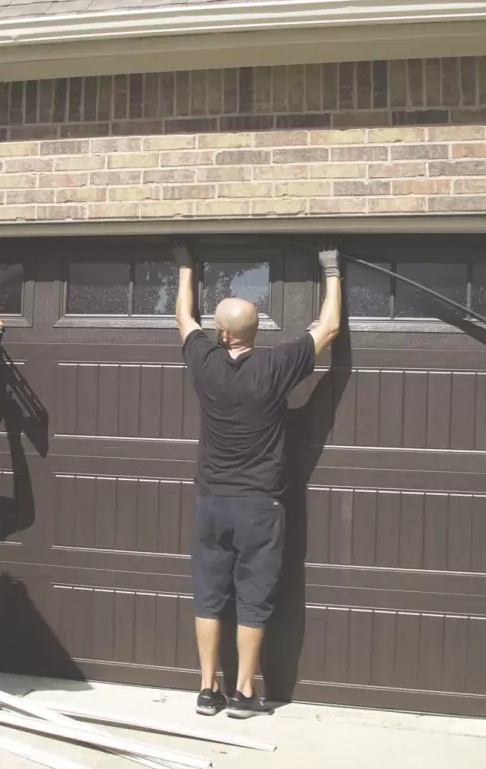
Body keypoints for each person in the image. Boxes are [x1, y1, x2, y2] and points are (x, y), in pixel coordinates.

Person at [172, 239, 343, 718]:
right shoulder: (273, 366)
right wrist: (331, 269)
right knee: (253, 599)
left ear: (222, 335)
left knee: (207, 597)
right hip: (259, 509)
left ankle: (208, 690)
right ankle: (245, 692)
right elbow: (328, 328)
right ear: (249, 333)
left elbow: (184, 319)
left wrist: (186, 268)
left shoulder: (204, 365)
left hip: (212, 503)